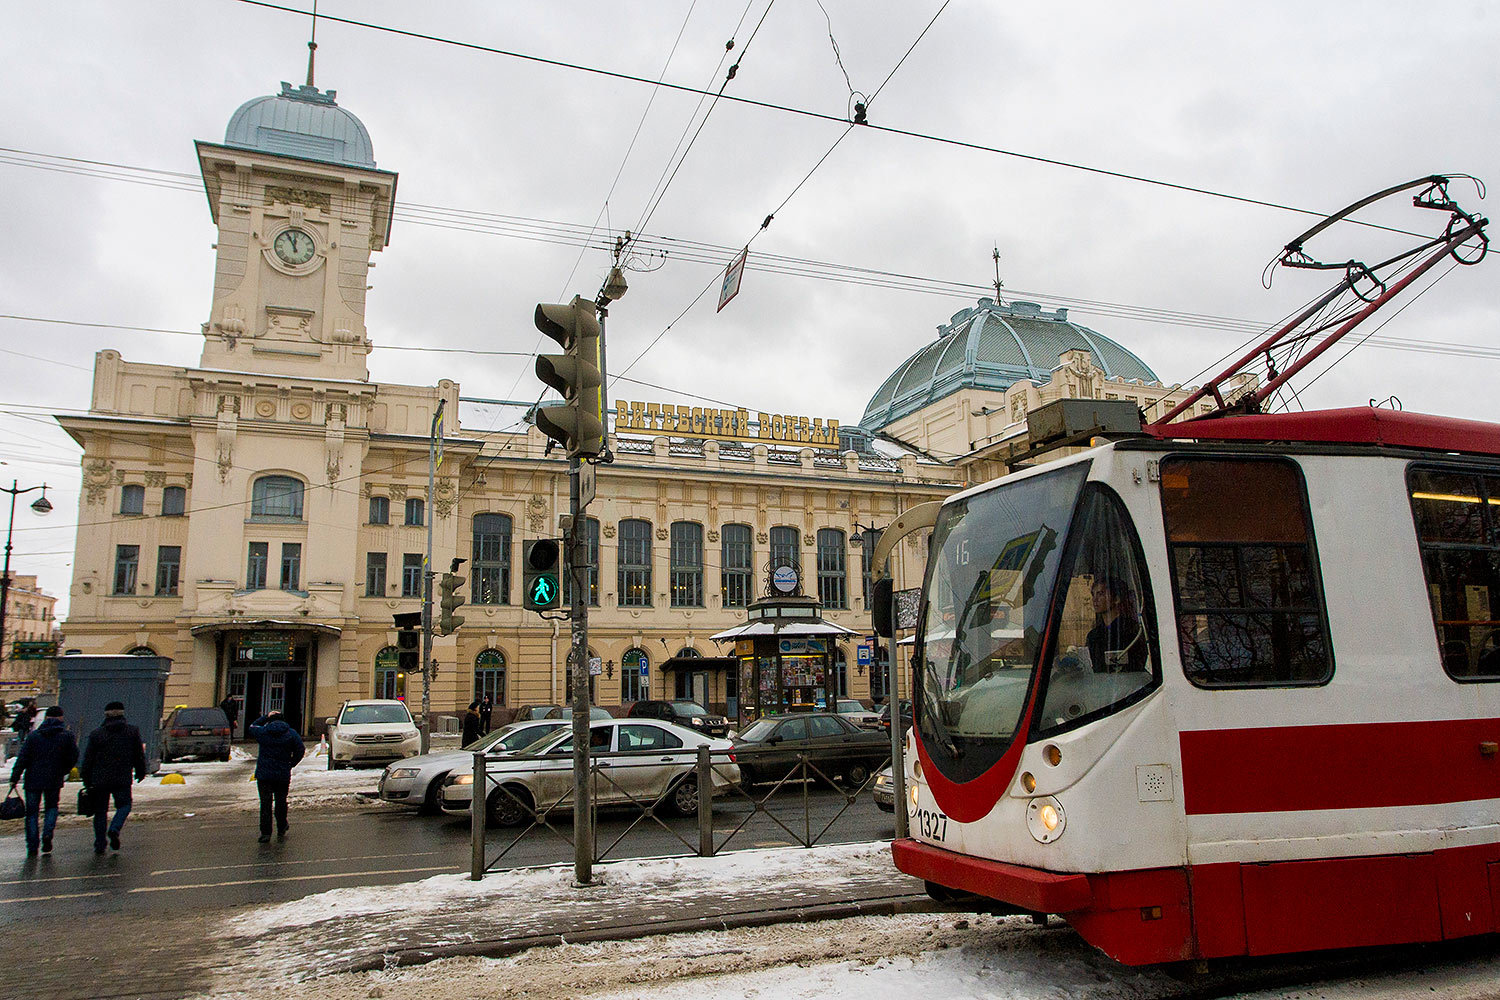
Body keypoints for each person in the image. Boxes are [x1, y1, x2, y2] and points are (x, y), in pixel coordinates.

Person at [8, 705, 78, 856]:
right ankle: (47, 834)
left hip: (33, 779)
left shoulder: (34, 736)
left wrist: (15, 777)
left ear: (46, 718)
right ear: (61, 718)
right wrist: (63, 770)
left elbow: (23, 758)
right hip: (54, 779)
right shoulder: (66, 736)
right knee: (51, 807)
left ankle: (32, 845)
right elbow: (73, 756)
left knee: (32, 813)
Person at [80, 700, 147, 854]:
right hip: (122, 777)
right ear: (122, 714)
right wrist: (140, 771)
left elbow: (88, 758)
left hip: (100, 778)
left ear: (106, 715)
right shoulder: (132, 732)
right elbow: (138, 754)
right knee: (124, 805)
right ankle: (115, 828)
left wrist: (86, 778)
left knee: (100, 811)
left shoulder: (97, 734)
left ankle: (100, 843)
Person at [248, 710, 305, 843]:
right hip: (282, 773)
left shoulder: (263, 732)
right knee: (281, 801)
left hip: (264, 774)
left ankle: (266, 833)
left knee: (265, 803)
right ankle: (282, 826)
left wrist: (265, 717)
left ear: (270, 720)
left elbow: (252, 727)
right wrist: (292, 763)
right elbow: (300, 749)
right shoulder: (291, 733)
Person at [1086, 575, 1148, 673]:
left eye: (1100, 594)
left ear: (1117, 599)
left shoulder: (1132, 631)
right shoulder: (1094, 635)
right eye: (1093, 594)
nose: (1095, 599)